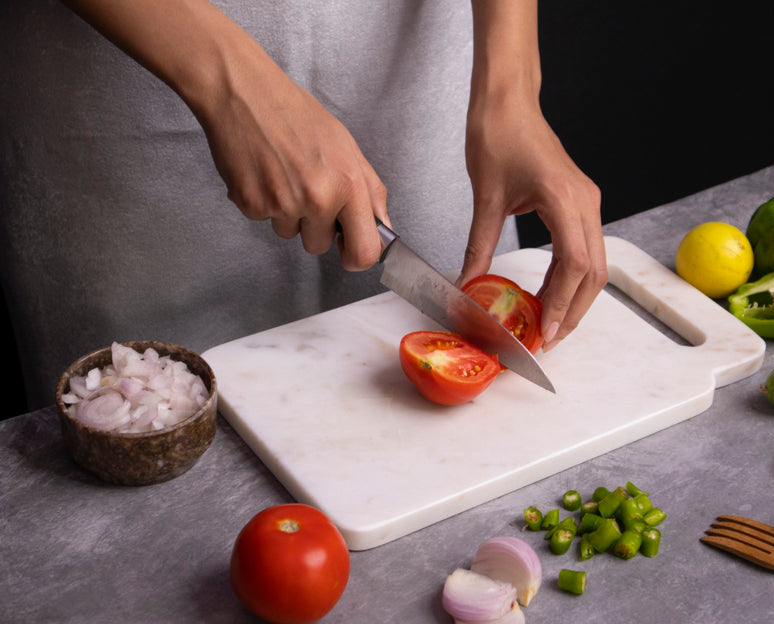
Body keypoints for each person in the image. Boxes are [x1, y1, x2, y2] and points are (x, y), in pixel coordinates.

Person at [0, 0, 605, 411]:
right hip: (132, 83)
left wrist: (511, 89)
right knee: (142, 425)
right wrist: (225, 77)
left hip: (418, 73)